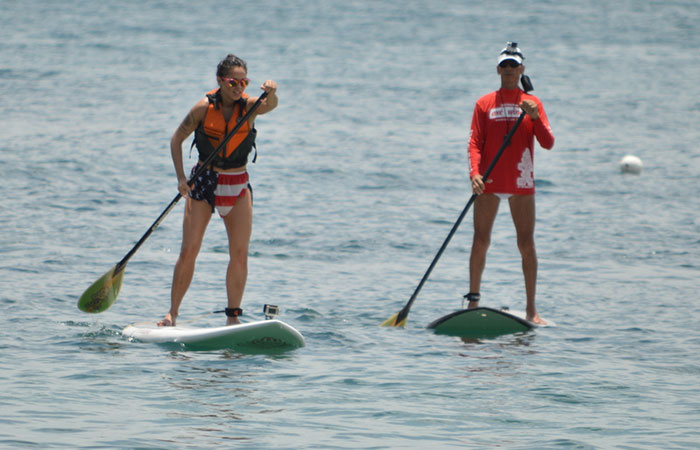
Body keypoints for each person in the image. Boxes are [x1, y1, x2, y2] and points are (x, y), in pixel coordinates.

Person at [158, 54, 278, 327]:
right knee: (189, 250)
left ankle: (232, 317)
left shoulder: (250, 105)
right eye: (233, 81)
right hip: (204, 185)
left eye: (244, 82)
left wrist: (272, 92)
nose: (238, 87)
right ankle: (172, 314)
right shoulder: (202, 108)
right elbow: (177, 139)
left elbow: (270, 105)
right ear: (220, 81)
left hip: (237, 186)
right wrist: (180, 179)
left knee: (239, 253)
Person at [466, 42, 555, 324]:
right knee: (480, 241)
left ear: (521, 69)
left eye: (513, 65)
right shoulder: (484, 103)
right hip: (489, 181)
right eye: (504, 65)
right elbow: (475, 142)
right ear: (497, 69)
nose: (508, 70)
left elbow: (548, 143)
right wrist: (475, 174)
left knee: (526, 244)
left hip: (520, 181)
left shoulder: (533, 103)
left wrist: (535, 117)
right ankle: (473, 302)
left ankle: (531, 310)